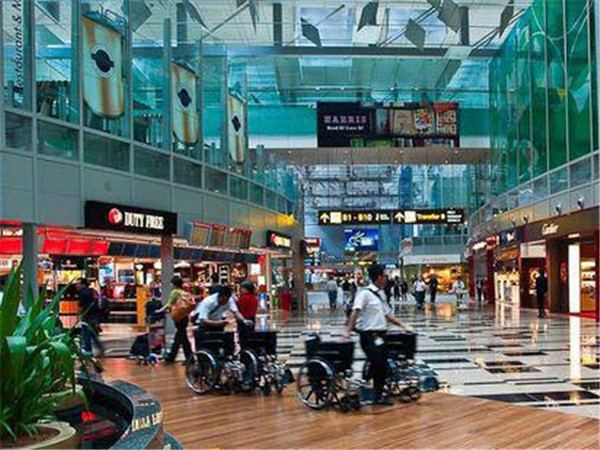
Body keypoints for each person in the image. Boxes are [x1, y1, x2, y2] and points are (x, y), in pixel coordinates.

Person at [343, 264, 409, 406]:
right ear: (378, 277)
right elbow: (355, 311)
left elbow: (388, 315)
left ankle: (370, 385)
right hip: (369, 336)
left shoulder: (381, 294)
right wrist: (348, 331)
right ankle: (377, 395)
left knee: (382, 363)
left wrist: (403, 325)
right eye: (384, 276)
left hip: (381, 335)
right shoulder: (364, 294)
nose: (386, 278)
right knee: (380, 364)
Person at [158, 277, 193, 363]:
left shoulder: (175, 292)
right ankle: (177, 356)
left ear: (174, 284)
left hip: (178, 317)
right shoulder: (184, 292)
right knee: (181, 337)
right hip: (184, 316)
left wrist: (160, 310)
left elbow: (169, 304)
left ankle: (182, 357)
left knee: (181, 337)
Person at [76, 278, 105, 357]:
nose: (77, 285)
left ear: (83, 284)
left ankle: (88, 350)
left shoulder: (83, 293)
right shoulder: (92, 291)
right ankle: (99, 348)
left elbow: (80, 306)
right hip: (94, 315)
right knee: (91, 333)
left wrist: (78, 315)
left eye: (78, 284)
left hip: (87, 316)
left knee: (86, 333)